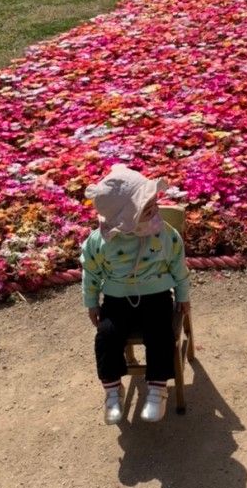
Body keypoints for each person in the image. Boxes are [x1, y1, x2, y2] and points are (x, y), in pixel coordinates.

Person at [80, 164, 191, 425]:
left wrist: (183, 295)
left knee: (161, 333)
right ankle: (112, 389)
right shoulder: (100, 241)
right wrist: (91, 302)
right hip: (117, 299)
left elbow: (178, 264)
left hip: (158, 295)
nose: (154, 204)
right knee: (107, 335)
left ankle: (157, 387)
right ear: (124, 219)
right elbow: (91, 272)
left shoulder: (164, 234)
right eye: (145, 204)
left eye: (152, 198)